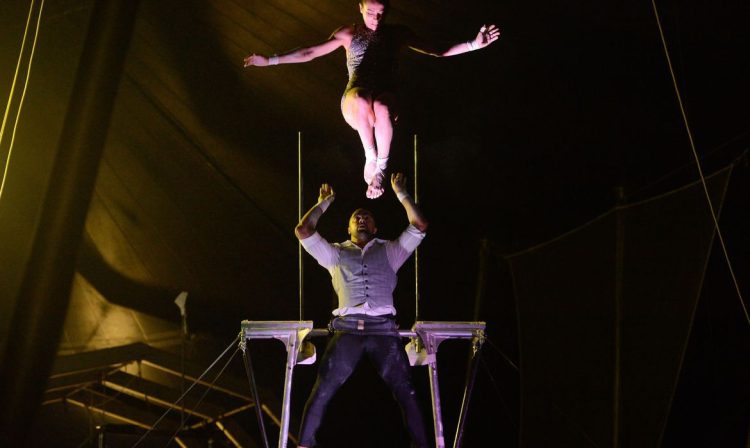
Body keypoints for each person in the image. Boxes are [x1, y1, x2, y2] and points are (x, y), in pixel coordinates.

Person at [244, 0, 500, 199]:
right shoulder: (348, 33)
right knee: (363, 98)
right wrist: (271, 60)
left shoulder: (397, 34)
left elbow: (438, 51)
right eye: (370, 13)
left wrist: (474, 44)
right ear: (360, 8)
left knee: (382, 105)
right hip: (354, 101)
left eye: (381, 13)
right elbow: (311, 52)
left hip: (386, 100)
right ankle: (370, 154)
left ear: (387, 11)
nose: (376, 19)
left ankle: (381, 165)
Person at [294, 172, 429, 448]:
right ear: (348, 229)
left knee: (407, 391)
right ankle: (305, 445)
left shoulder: (391, 251)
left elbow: (419, 224)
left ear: (375, 228)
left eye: (366, 216)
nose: (361, 218)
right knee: (323, 390)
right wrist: (323, 203)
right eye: (356, 217)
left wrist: (401, 192)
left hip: (384, 331)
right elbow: (303, 231)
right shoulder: (335, 253)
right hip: (347, 331)